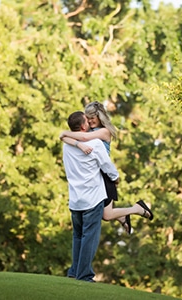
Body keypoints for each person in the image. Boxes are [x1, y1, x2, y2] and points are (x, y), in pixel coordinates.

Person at [60, 101, 153, 235]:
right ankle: (122, 216)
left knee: (106, 215)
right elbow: (67, 139)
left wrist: (65, 134)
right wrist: (72, 141)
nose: (90, 121)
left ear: (100, 117)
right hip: (95, 177)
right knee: (105, 215)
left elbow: (82, 137)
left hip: (105, 175)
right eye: (88, 118)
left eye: (92, 118)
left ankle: (137, 209)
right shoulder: (87, 131)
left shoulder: (104, 132)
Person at [62, 111, 119, 282]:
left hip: (75, 199)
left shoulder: (67, 145)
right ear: (83, 126)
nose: (90, 122)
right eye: (87, 120)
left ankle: (74, 271)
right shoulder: (95, 143)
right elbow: (106, 165)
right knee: (89, 238)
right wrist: (116, 178)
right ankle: (85, 274)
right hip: (92, 198)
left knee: (78, 236)